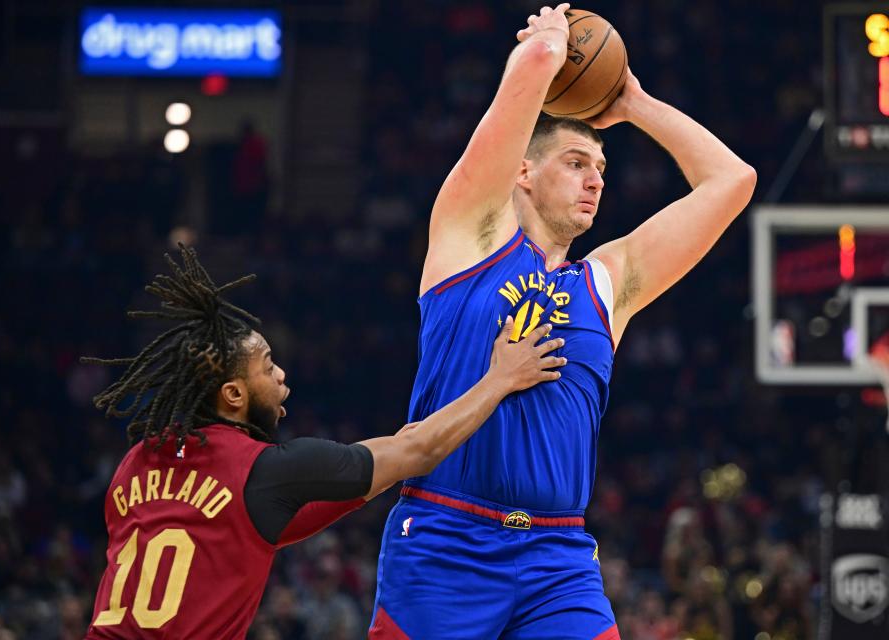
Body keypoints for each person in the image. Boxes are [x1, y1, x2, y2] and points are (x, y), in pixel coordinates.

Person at [369, 4, 756, 639]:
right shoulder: (469, 237)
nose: (595, 180)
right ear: (523, 172)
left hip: (559, 557)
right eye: (576, 162)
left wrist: (632, 101)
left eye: (602, 169)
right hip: (446, 539)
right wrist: (546, 49)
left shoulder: (607, 283)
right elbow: (524, 90)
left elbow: (732, 181)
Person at [82, 245, 565, 639]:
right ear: (234, 394)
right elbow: (417, 451)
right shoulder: (264, 470)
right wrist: (500, 378)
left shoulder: (132, 465)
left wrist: (374, 479)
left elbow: (243, 532)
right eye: (269, 367)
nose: (282, 376)